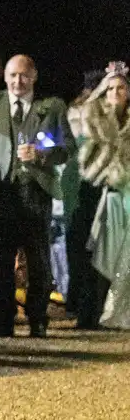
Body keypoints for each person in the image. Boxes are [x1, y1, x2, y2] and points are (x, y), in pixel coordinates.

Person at [0, 55, 70, 338]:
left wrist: (41, 154)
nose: (18, 81)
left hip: (35, 195)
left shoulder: (49, 108)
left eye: (24, 75)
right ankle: (3, 320)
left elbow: (65, 147)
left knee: (38, 262)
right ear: (5, 77)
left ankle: (37, 318)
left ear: (34, 76)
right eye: (13, 75)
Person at [77, 69, 130, 328]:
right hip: (105, 195)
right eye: (110, 89)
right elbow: (82, 112)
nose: (115, 93)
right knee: (101, 256)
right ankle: (96, 313)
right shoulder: (98, 118)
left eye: (121, 87)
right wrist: (101, 87)